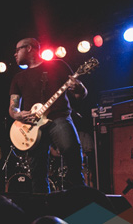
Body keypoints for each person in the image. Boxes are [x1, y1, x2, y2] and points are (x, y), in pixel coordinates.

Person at [9, 38, 89, 193]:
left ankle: (81, 199)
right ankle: (43, 206)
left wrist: (79, 88)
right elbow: (13, 107)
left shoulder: (57, 65)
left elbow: (81, 94)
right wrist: (17, 115)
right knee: (37, 173)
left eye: (18, 49)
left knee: (71, 155)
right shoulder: (18, 77)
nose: (15, 54)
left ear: (29, 48)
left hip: (58, 117)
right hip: (32, 127)